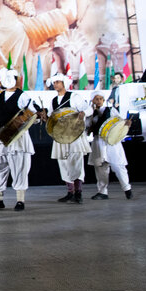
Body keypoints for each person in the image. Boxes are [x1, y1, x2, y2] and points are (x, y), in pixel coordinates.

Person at [0, 68, 37, 211]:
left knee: (19, 166)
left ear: (16, 79)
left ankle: (20, 200)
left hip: (17, 136)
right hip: (1, 135)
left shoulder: (23, 96)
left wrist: (33, 116)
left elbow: (32, 112)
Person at [41, 73, 90, 204]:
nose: (55, 84)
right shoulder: (53, 101)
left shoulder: (74, 96)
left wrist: (83, 113)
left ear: (63, 83)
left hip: (74, 134)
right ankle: (70, 192)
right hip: (61, 136)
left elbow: (87, 108)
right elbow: (52, 117)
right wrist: (46, 118)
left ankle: (78, 192)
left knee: (76, 161)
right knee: (63, 163)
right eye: (54, 82)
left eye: (57, 82)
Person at [85, 94, 133, 199]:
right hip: (98, 141)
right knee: (100, 167)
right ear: (92, 100)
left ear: (103, 100)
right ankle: (102, 192)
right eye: (96, 99)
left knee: (118, 165)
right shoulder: (91, 114)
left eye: (100, 99)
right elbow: (87, 129)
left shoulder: (111, 110)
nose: (98, 101)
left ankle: (127, 189)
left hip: (112, 141)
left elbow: (120, 122)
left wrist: (126, 124)